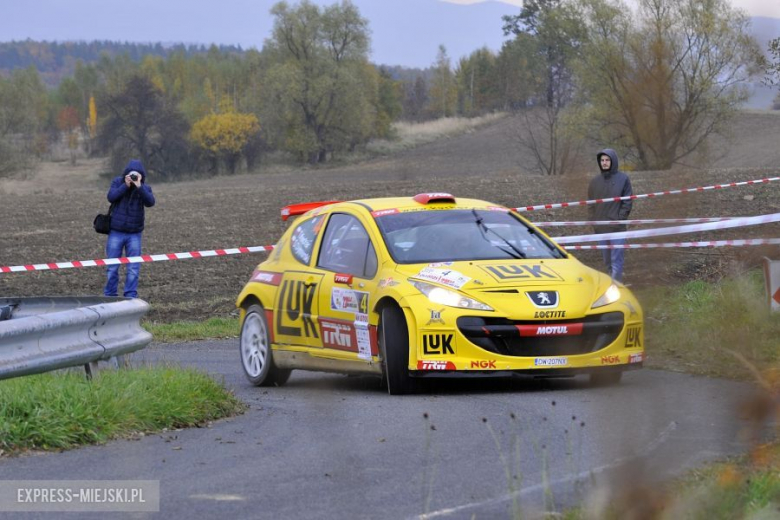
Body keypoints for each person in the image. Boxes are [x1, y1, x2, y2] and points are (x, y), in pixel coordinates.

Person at [104, 159, 155, 298]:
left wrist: (139, 186)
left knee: (133, 267)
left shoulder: (144, 187)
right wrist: (125, 186)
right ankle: (110, 295)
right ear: (125, 174)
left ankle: (130, 295)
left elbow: (150, 202)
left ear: (141, 176)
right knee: (112, 267)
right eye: (131, 175)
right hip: (116, 231)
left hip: (135, 234)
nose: (133, 177)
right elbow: (111, 197)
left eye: (136, 175)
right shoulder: (117, 182)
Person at [587, 149, 632, 283]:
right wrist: (593, 221)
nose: (605, 163)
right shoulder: (594, 182)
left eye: (607, 160)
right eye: (602, 160)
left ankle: (616, 288)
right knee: (607, 261)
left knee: (616, 262)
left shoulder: (623, 179)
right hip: (601, 229)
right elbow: (590, 203)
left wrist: (620, 219)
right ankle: (615, 285)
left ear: (613, 161)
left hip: (617, 229)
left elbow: (627, 201)